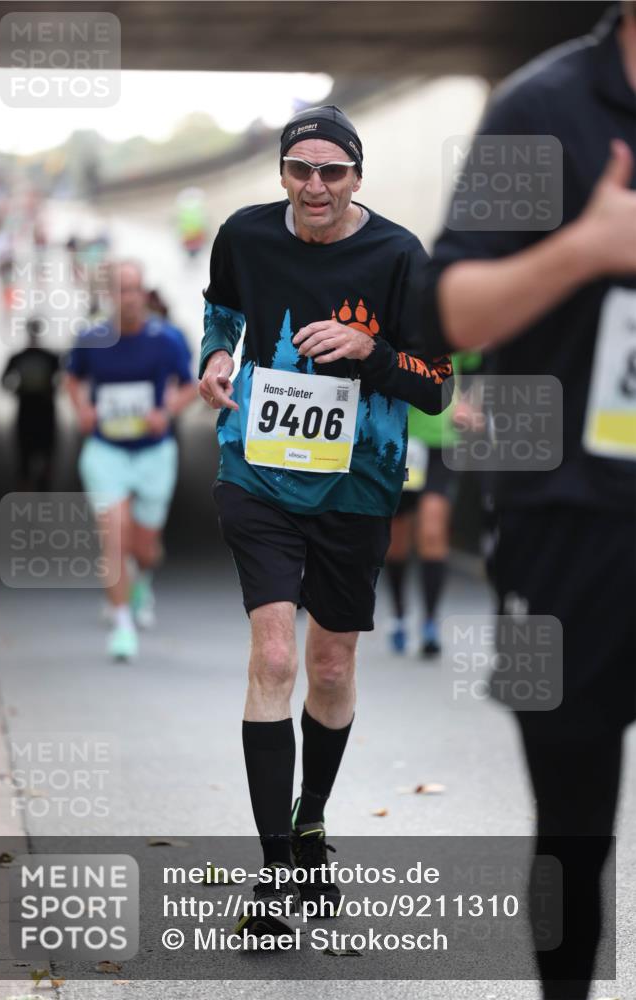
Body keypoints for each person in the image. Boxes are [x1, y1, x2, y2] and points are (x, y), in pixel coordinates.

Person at [416, 6, 636, 998]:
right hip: (566, 522)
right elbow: (448, 310)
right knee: (572, 830)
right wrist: (587, 247)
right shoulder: (541, 107)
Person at [198, 104, 453, 933]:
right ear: (281, 172)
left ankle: (310, 821)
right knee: (273, 653)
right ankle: (275, 875)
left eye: (331, 172)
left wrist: (368, 352)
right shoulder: (242, 234)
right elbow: (222, 311)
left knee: (331, 666)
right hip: (258, 473)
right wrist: (212, 357)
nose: (314, 186)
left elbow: (434, 382)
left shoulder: (397, 255)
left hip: (357, 483)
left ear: (356, 177)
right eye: (299, 169)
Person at [65, 260, 197, 660]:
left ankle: (140, 580)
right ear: (110, 296)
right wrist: (82, 409)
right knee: (115, 534)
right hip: (106, 450)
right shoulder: (91, 339)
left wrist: (167, 411)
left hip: (153, 452)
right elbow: (72, 378)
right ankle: (122, 624)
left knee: (144, 548)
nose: (129, 298)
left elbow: (191, 385)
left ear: (145, 294)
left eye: (134, 289)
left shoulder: (166, 339)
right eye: (121, 290)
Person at [385, 350, 482, 656]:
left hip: (441, 441)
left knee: (432, 529)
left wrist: (469, 403)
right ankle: (400, 614)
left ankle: (430, 621)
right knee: (397, 538)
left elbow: (478, 368)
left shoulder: (452, 318)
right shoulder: (399, 313)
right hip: (401, 437)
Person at [1, 316, 59, 491]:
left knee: (36, 457)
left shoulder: (27, 357)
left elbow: (4, 382)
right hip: (34, 411)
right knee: (31, 457)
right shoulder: (47, 358)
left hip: (36, 411)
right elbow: (4, 382)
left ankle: (36, 493)